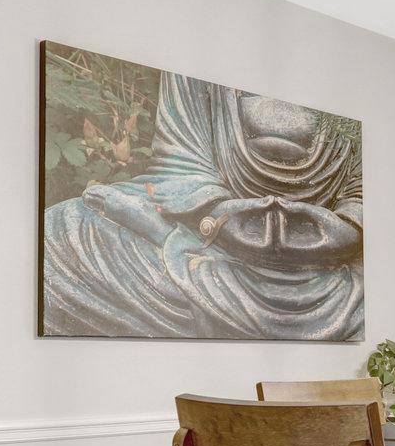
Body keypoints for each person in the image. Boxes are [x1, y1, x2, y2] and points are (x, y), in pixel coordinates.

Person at [42, 70, 364, 339]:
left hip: (323, 246)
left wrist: (333, 232)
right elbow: (182, 164)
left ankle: (165, 239)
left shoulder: (351, 104)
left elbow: (358, 201)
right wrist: (215, 218)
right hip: (205, 219)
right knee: (60, 235)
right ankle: (173, 243)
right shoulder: (193, 76)